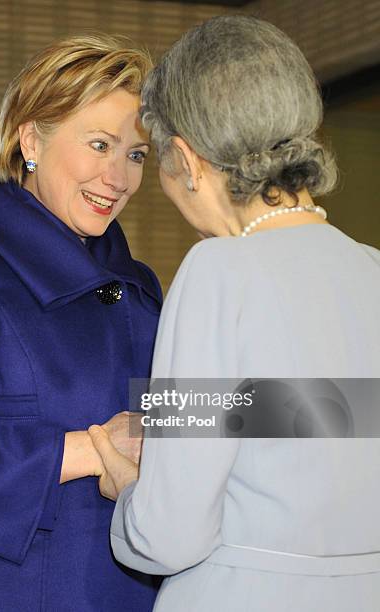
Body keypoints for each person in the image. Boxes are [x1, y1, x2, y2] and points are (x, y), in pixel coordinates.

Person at [88, 15, 380, 612]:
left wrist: (130, 490)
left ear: (190, 160)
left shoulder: (217, 270)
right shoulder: (371, 268)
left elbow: (168, 537)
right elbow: (326, 423)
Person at [0, 34, 162, 611]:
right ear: (30, 140)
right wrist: (97, 451)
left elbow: (175, 420)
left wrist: (321, 406)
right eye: (99, 144)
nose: (119, 178)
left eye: (136, 155)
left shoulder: (141, 288)